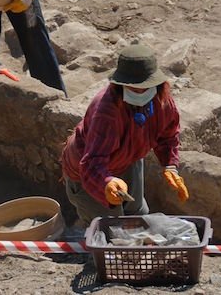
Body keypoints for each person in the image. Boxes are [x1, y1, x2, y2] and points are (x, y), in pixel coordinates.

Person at [60, 44, 190, 226]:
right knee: (109, 227)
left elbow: (168, 135)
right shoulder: (107, 112)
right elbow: (92, 163)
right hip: (89, 170)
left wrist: (170, 165)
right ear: (120, 85)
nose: (140, 93)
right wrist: (106, 183)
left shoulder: (162, 100)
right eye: (134, 88)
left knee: (138, 215)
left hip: (128, 159)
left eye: (145, 87)